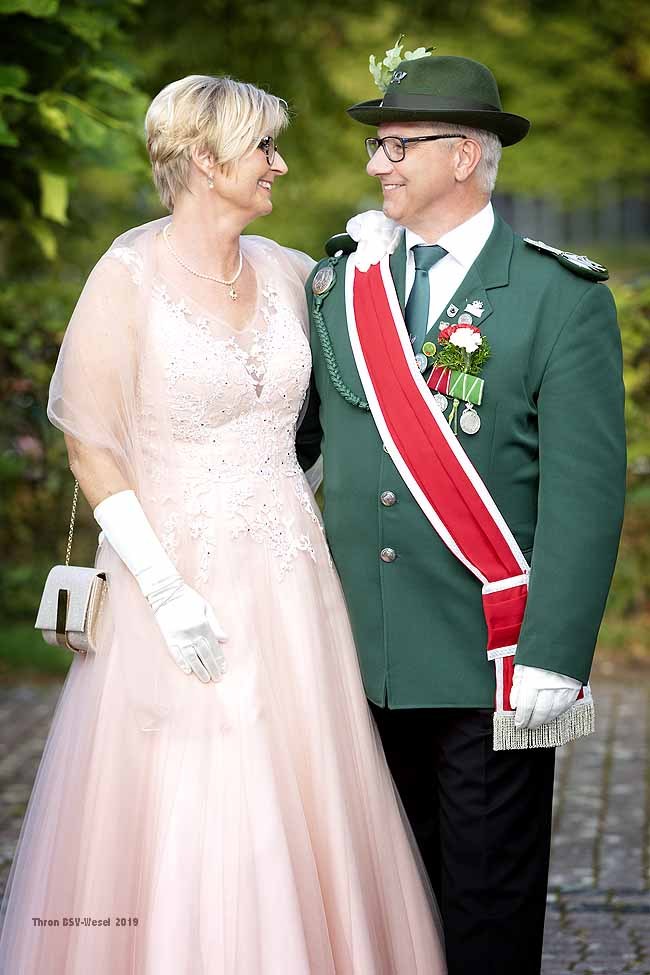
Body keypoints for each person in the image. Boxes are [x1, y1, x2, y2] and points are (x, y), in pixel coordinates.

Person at [0, 75, 447, 974]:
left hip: (293, 583)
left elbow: (358, 390)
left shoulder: (288, 271)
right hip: (173, 581)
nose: (279, 164)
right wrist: (166, 594)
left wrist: (381, 259)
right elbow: (92, 450)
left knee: (300, 785)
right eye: (263, 148)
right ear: (205, 159)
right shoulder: (127, 278)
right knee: (196, 790)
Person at [297, 53, 626, 975]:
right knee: (378, 913)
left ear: (466, 155)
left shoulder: (560, 298)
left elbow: (586, 493)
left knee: (484, 910)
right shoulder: (341, 285)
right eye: (377, 144)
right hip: (353, 657)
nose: (378, 163)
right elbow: (295, 445)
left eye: (399, 144)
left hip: (489, 660)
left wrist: (554, 656)